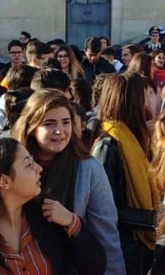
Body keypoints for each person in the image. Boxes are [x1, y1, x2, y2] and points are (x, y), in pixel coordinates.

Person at [0, 138, 107, 274]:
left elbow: (95, 267)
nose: (39, 168)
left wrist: (72, 223)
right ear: (4, 181)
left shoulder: (48, 216)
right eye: (28, 164)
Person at [11, 89, 125, 275]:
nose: (60, 131)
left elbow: (106, 239)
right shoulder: (12, 167)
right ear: (31, 128)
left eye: (66, 122)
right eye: (49, 123)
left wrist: (71, 221)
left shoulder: (89, 170)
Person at [91, 73, 160, 275]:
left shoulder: (138, 138)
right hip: (122, 248)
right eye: (146, 95)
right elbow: (104, 208)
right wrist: (153, 219)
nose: (151, 101)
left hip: (140, 244)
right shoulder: (108, 145)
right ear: (131, 101)